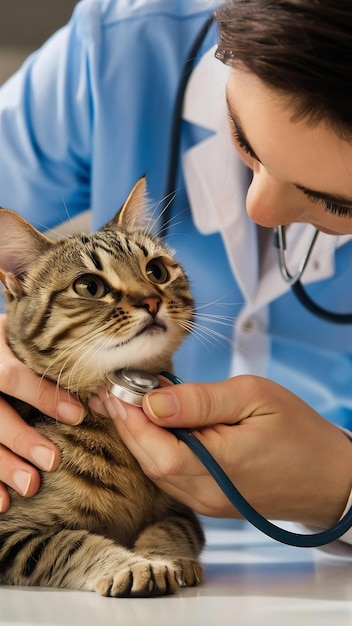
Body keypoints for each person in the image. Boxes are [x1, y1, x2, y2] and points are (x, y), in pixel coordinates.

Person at [0, 0, 351, 554]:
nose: (259, 206)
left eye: (337, 205)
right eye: (243, 137)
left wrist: (342, 485)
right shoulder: (115, 47)